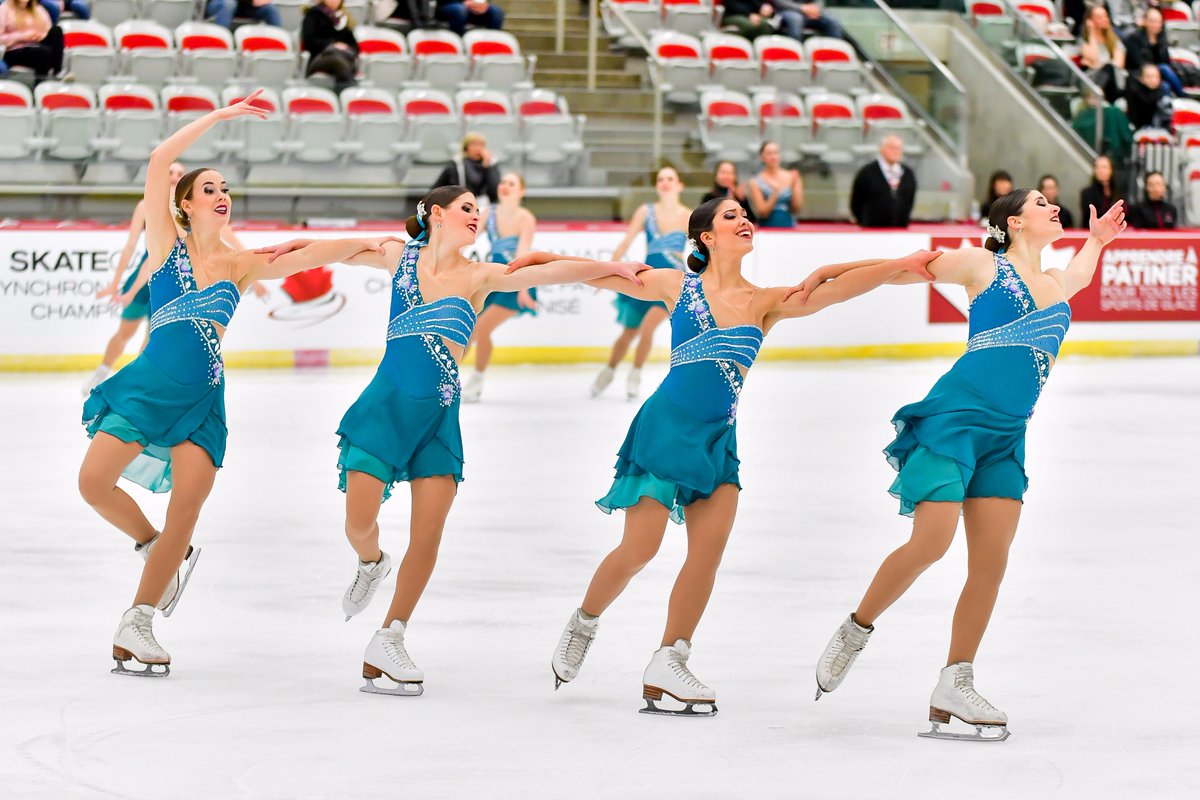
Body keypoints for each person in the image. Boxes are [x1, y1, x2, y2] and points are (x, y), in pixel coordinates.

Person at [534, 199, 942, 715]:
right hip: (665, 429)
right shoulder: (675, 285)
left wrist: (897, 266)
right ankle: (584, 623)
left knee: (707, 555)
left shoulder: (764, 301)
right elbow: (598, 277)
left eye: (745, 214)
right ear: (704, 236)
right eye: (730, 216)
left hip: (719, 439)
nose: (744, 219)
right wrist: (538, 257)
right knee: (640, 548)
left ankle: (669, 657)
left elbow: (834, 293)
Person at [256, 187, 647, 696]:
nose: (476, 217)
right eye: (467, 208)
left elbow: (549, 273)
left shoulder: (480, 276)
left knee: (428, 534)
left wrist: (611, 269)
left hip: (440, 418)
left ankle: (390, 634)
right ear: (436, 214)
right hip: (386, 407)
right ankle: (372, 562)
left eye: (479, 213)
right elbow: (336, 251)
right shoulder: (400, 257)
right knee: (359, 522)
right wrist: (290, 247)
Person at [78, 90, 396, 678]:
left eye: (226, 190)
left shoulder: (243, 263)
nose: (222, 197)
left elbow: (311, 253)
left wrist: (371, 248)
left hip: (203, 398)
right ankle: (155, 548)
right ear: (183, 205)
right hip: (147, 385)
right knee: (94, 483)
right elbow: (156, 163)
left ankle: (138, 619)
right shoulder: (165, 248)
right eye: (209, 190)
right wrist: (220, 116)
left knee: (187, 512)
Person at [810, 189, 1126, 741]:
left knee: (992, 562)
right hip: (956, 420)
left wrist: (1097, 241)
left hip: (1006, 437)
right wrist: (839, 268)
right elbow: (908, 269)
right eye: (1040, 202)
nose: (1054, 207)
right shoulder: (984, 264)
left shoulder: (1055, 284)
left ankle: (954, 681)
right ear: (1012, 221)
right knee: (932, 541)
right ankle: (856, 630)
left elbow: (1081, 271)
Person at [83, 162, 264, 397]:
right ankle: (102, 371)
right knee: (124, 332)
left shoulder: (195, 210)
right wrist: (116, 284)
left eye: (180, 174)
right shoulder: (146, 206)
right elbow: (130, 248)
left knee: (154, 337)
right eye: (171, 172)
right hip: (145, 275)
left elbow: (231, 241)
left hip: (175, 279)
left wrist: (254, 275)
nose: (175, 177)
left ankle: (144, 386)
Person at [592, 166, 690, 401]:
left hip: (670, 285)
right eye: (660, 179)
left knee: (647, 329)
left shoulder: (689, 216)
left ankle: (635, 373)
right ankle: (610, 369)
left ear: (679, 185)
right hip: (644, 280)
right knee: (628, 333)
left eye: (670, 179)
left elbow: (701, 250)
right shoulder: (646, 211)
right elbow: (626, 243)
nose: (665, 182)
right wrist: (603, 271)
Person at [460, 171, 537, 403]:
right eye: (503, 182)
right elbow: (468, 238)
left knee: (477, 330)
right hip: (492, 280)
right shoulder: (488, 214)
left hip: (515, 280)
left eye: (511, 183)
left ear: (521, 191)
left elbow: (523, 252)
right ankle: (476, 378)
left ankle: (446, 377)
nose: (504, 186)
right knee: (478, 331)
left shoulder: (525, 218)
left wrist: (524, 288)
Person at [850, 135, 917, 228]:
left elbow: (910, 200)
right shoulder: (867, 173)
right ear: (882, 149)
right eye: (892, 148)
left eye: (899, 148)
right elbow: (856, 202)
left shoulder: (908, 174)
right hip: (872, 231)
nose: (896, 151)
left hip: (900, 231)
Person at [1124, 8, 1184, 96]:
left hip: (1160, 75)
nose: (1155, 25)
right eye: (1152, 21)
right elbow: (1138, 63)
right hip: (1140, 75)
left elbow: (1166, 61)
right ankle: (1183, 96)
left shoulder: (1162, 39)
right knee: (1164, 69)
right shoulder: (1134, 39)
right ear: (1145, 22)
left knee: (1165, 84)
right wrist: (1154, 72)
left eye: (1158, 22)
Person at [302, 0, 359, 92]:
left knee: (345, 62)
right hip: (320, 56)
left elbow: (354, 46)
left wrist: (345, 47)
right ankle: (344, 96)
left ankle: (348, 96)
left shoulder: (342, 18)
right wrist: (332, 45)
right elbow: (309, 41)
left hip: (342, 56)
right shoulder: (313, 14)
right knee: (340, 63)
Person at [431, 132, 500, 207]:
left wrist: (488, 167)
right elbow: (437, 188)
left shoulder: (491, 164)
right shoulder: (456, 164)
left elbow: (495, 192)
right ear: (466, 147)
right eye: (474, 145)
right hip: (459, 205)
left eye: (481, 145)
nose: (478, 148)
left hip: (484, 206)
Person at [1070, 90, 1132, 169]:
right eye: (1093, 98)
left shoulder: (1114, 113)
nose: (1096, 100)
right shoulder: (1081, 118)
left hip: (1111, 156)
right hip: (1102, 157)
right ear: (1086, 99)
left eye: (1098, 98)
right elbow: (1127, 138)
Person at [0, 0, 63, 77]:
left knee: (56, 30)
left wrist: (39, 36)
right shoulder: (4, 9)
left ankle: (58, 72)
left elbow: (47, 30)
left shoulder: (38, 9)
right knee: (43, 52)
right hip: (12, 51)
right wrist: (22, 36)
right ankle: (41, 83)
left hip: (36, 45)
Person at [748, 141, 803, 228]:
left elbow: (797, 209)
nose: (773, 157)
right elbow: (762, 212)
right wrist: (775, 193)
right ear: (762, 157)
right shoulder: (755, 181)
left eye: (776, 153)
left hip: (789, 227)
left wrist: (794, 187)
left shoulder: (792, 177)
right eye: (769, 153)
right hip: (766, 230)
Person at [1079, 5, 1125, 104]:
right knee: (1108, 68)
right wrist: (1091, 32)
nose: (1104, 19)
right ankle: (1096, 97)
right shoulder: (1085, 41)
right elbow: (1094, 59)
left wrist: (1099, 65)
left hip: (1113, 78)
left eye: (1105, 16)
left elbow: (1118, 64)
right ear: (1090, 20)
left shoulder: (1114, 40)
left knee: (1110, 69)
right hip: (1092, 79)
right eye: (1099, 17)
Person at [700, 160, 756, 225]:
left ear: (735, 177)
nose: (726, 176)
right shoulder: (709, 197)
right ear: (716, 176)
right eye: (723, 172)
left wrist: (741, 201)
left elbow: (752, 221)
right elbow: (702, 220)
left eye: (730, 173)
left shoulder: (740, 198)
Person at [1124, 62, 1173, 131]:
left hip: (1160, 131)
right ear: (1141, 79)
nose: (1153, 80)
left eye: (1156, 76)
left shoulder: (1163, 95)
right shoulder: (1134, 92)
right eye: (1149, 77)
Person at [775, 1, 847, 42]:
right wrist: (802, 8)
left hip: (812, 11)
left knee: (832, 21)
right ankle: (797, 54)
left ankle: (837, 54)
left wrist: (816, 9)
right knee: (796, 19)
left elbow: (819, 1)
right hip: (789, 10)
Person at [1079, 154, 1122, 223]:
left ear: (1111, 170)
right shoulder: (1087, 193)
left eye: (1104, 167)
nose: (1100, 170)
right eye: (1097, 167)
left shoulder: (1120, 191)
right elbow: (1089, 217)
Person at [435, 0, 503, 36]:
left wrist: (482, 4)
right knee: (459, 10)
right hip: (447, 5)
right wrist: (464, 3)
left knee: (496, 12)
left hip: (470, 8)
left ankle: (491, 44)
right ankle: (458, 42)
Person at [206, 0, 282, 29]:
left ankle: (279, 47)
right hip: (220, 3)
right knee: (229, 3)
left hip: (245, 6)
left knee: (270, 8)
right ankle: (221, 44)